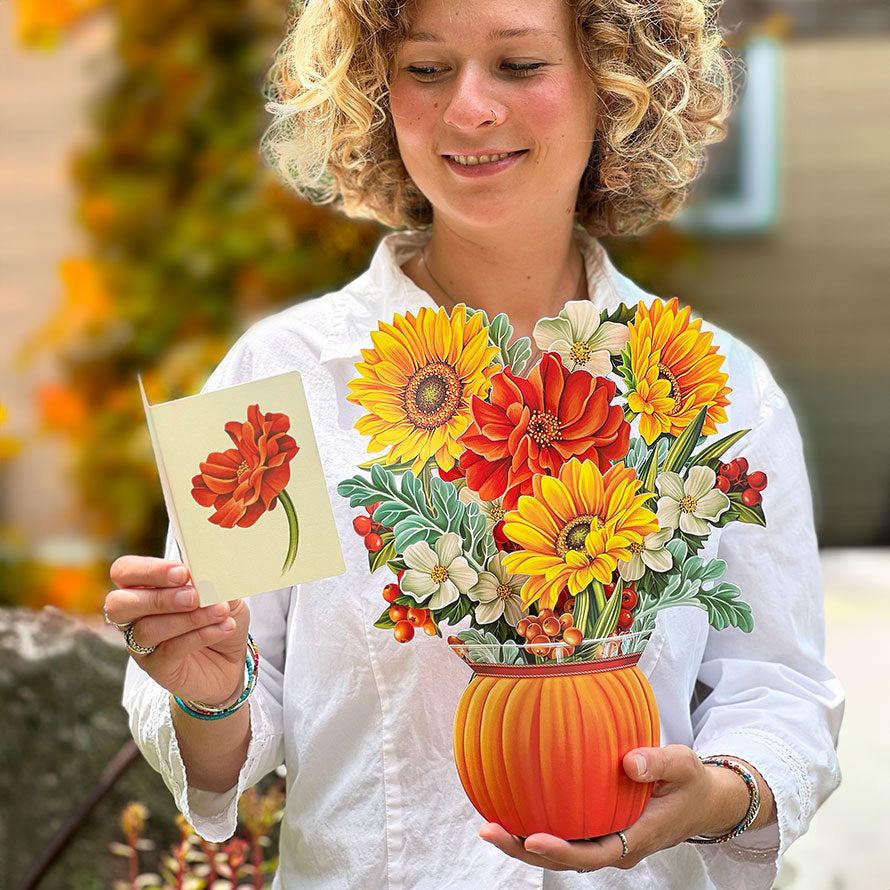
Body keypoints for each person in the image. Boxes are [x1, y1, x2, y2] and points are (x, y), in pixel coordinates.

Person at [104, 0, 844, 887]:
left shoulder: (718, 388)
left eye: (520, 66)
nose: (468, 110)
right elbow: (227, 750)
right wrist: (206, 688)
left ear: (616, 90)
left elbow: (779, 691)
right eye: (425, 69)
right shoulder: (274, 379)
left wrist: (720, 793)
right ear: (377, 95)